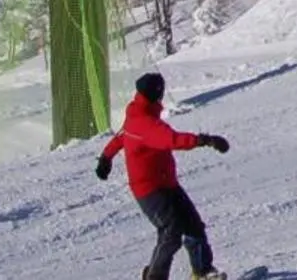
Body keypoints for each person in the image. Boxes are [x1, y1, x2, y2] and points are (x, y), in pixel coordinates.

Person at [96, 71, 231, 280]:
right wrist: (207, 140)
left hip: (166, 182)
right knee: (171, 231)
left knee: (193, 224)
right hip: (149, 189)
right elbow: (172, 139)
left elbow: (121, 136)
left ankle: (202, 271)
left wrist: (106, 157)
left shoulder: (137, 113)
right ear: (156, 94)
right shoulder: (147, 124)